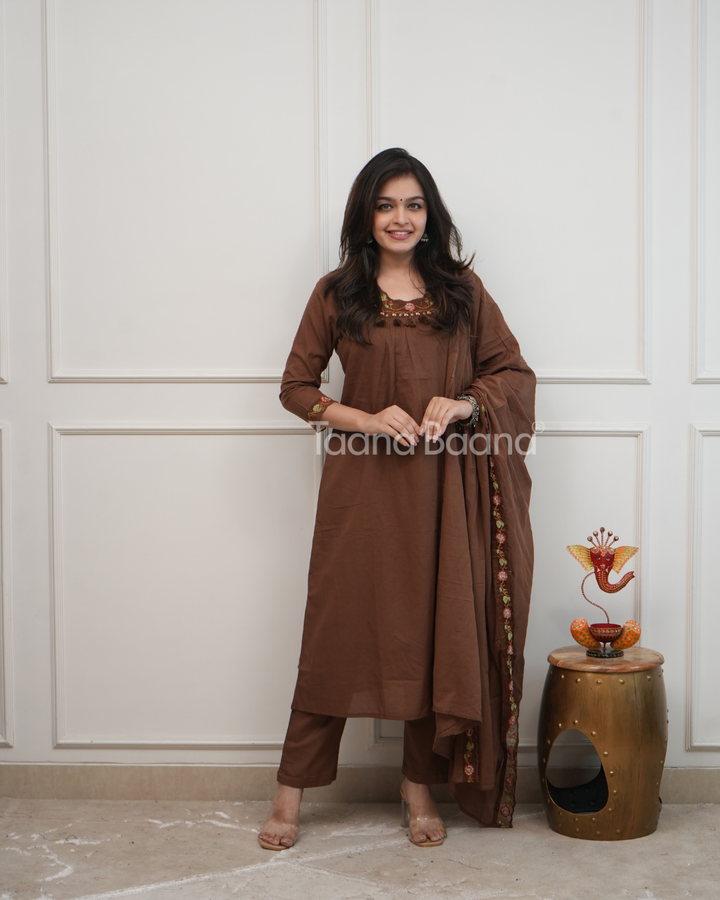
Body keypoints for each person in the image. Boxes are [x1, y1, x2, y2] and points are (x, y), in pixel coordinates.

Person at [258, 148, 535, 850]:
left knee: (426, 634)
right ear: (366, 215)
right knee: (335, 634)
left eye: (413, 205)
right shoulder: (336, 293)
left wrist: (465, 403)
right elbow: (295, 388)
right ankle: (289, 793)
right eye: (385, 206)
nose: (400, 218)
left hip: (444, 492)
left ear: (430, 215)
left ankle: (418, 790)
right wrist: (366, 418)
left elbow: (511, 372)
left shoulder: (462, 291)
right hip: (359, 493)